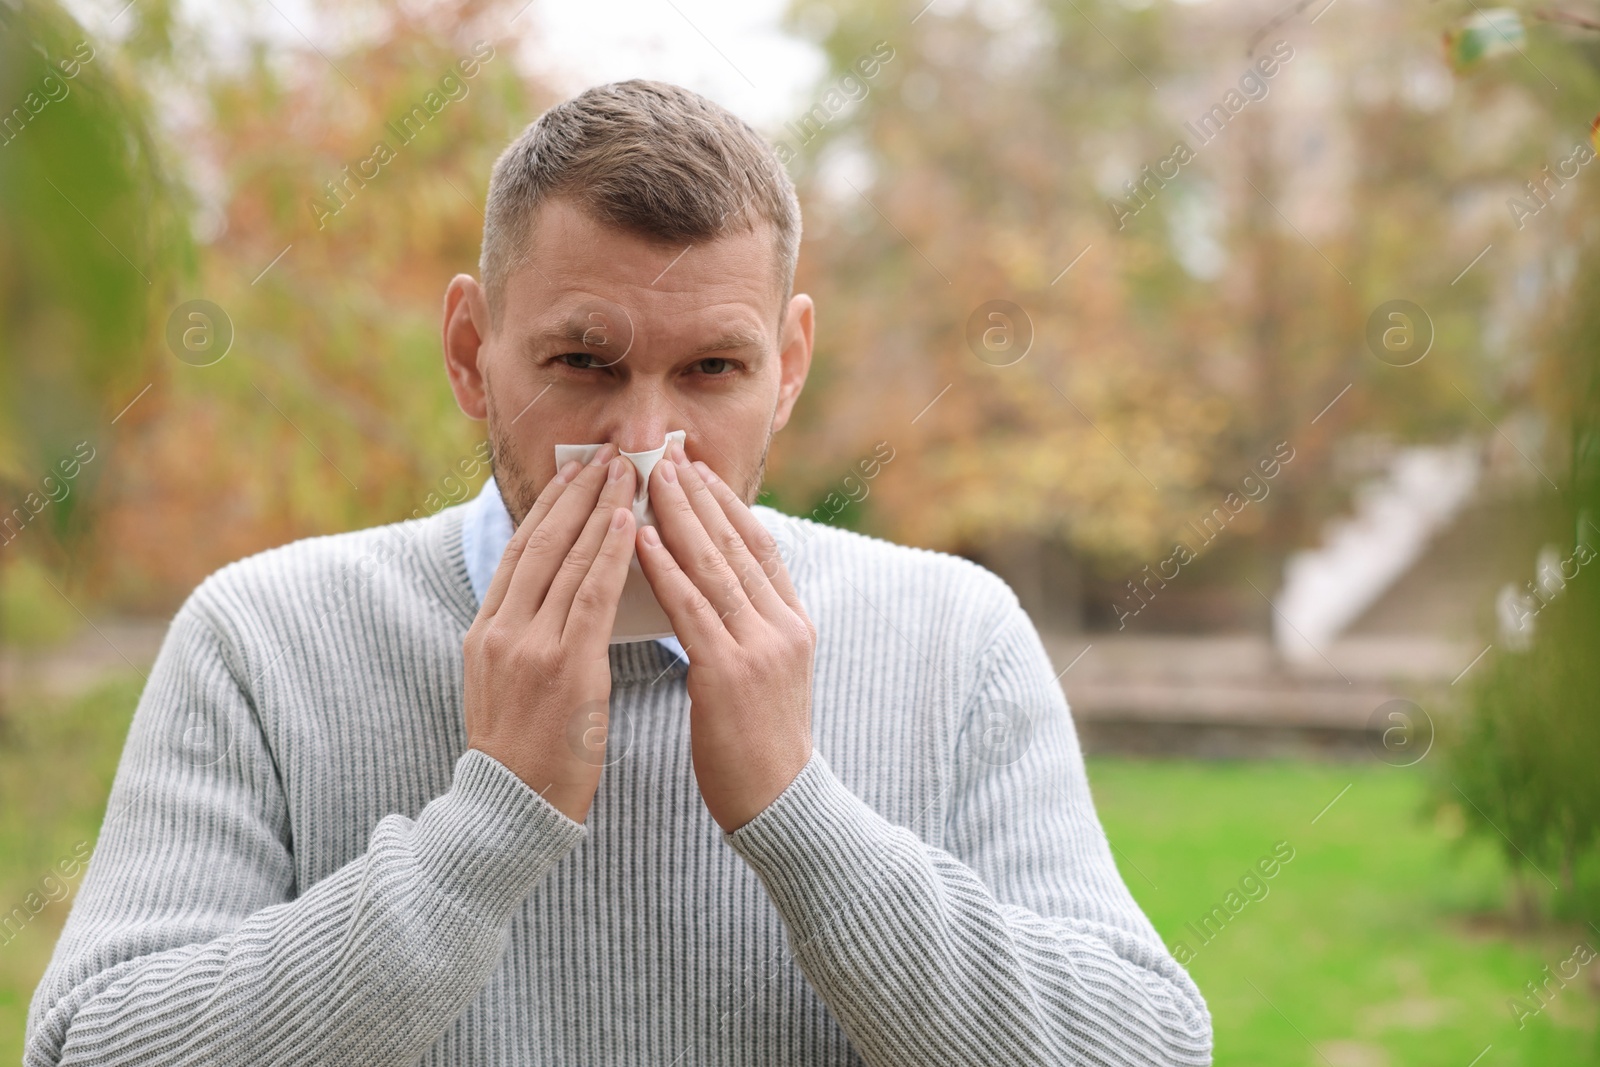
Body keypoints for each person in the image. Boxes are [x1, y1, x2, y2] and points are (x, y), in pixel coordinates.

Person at [26, 78, 1211, 1065]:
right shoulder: (265, 638)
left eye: (712, 368)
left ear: (787, 366)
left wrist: (803, 815)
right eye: (583, 362)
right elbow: (91, 1044)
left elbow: (1150, 1043)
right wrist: (484, 827)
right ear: (470, 352)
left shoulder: (954, 634)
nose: (646, 448)